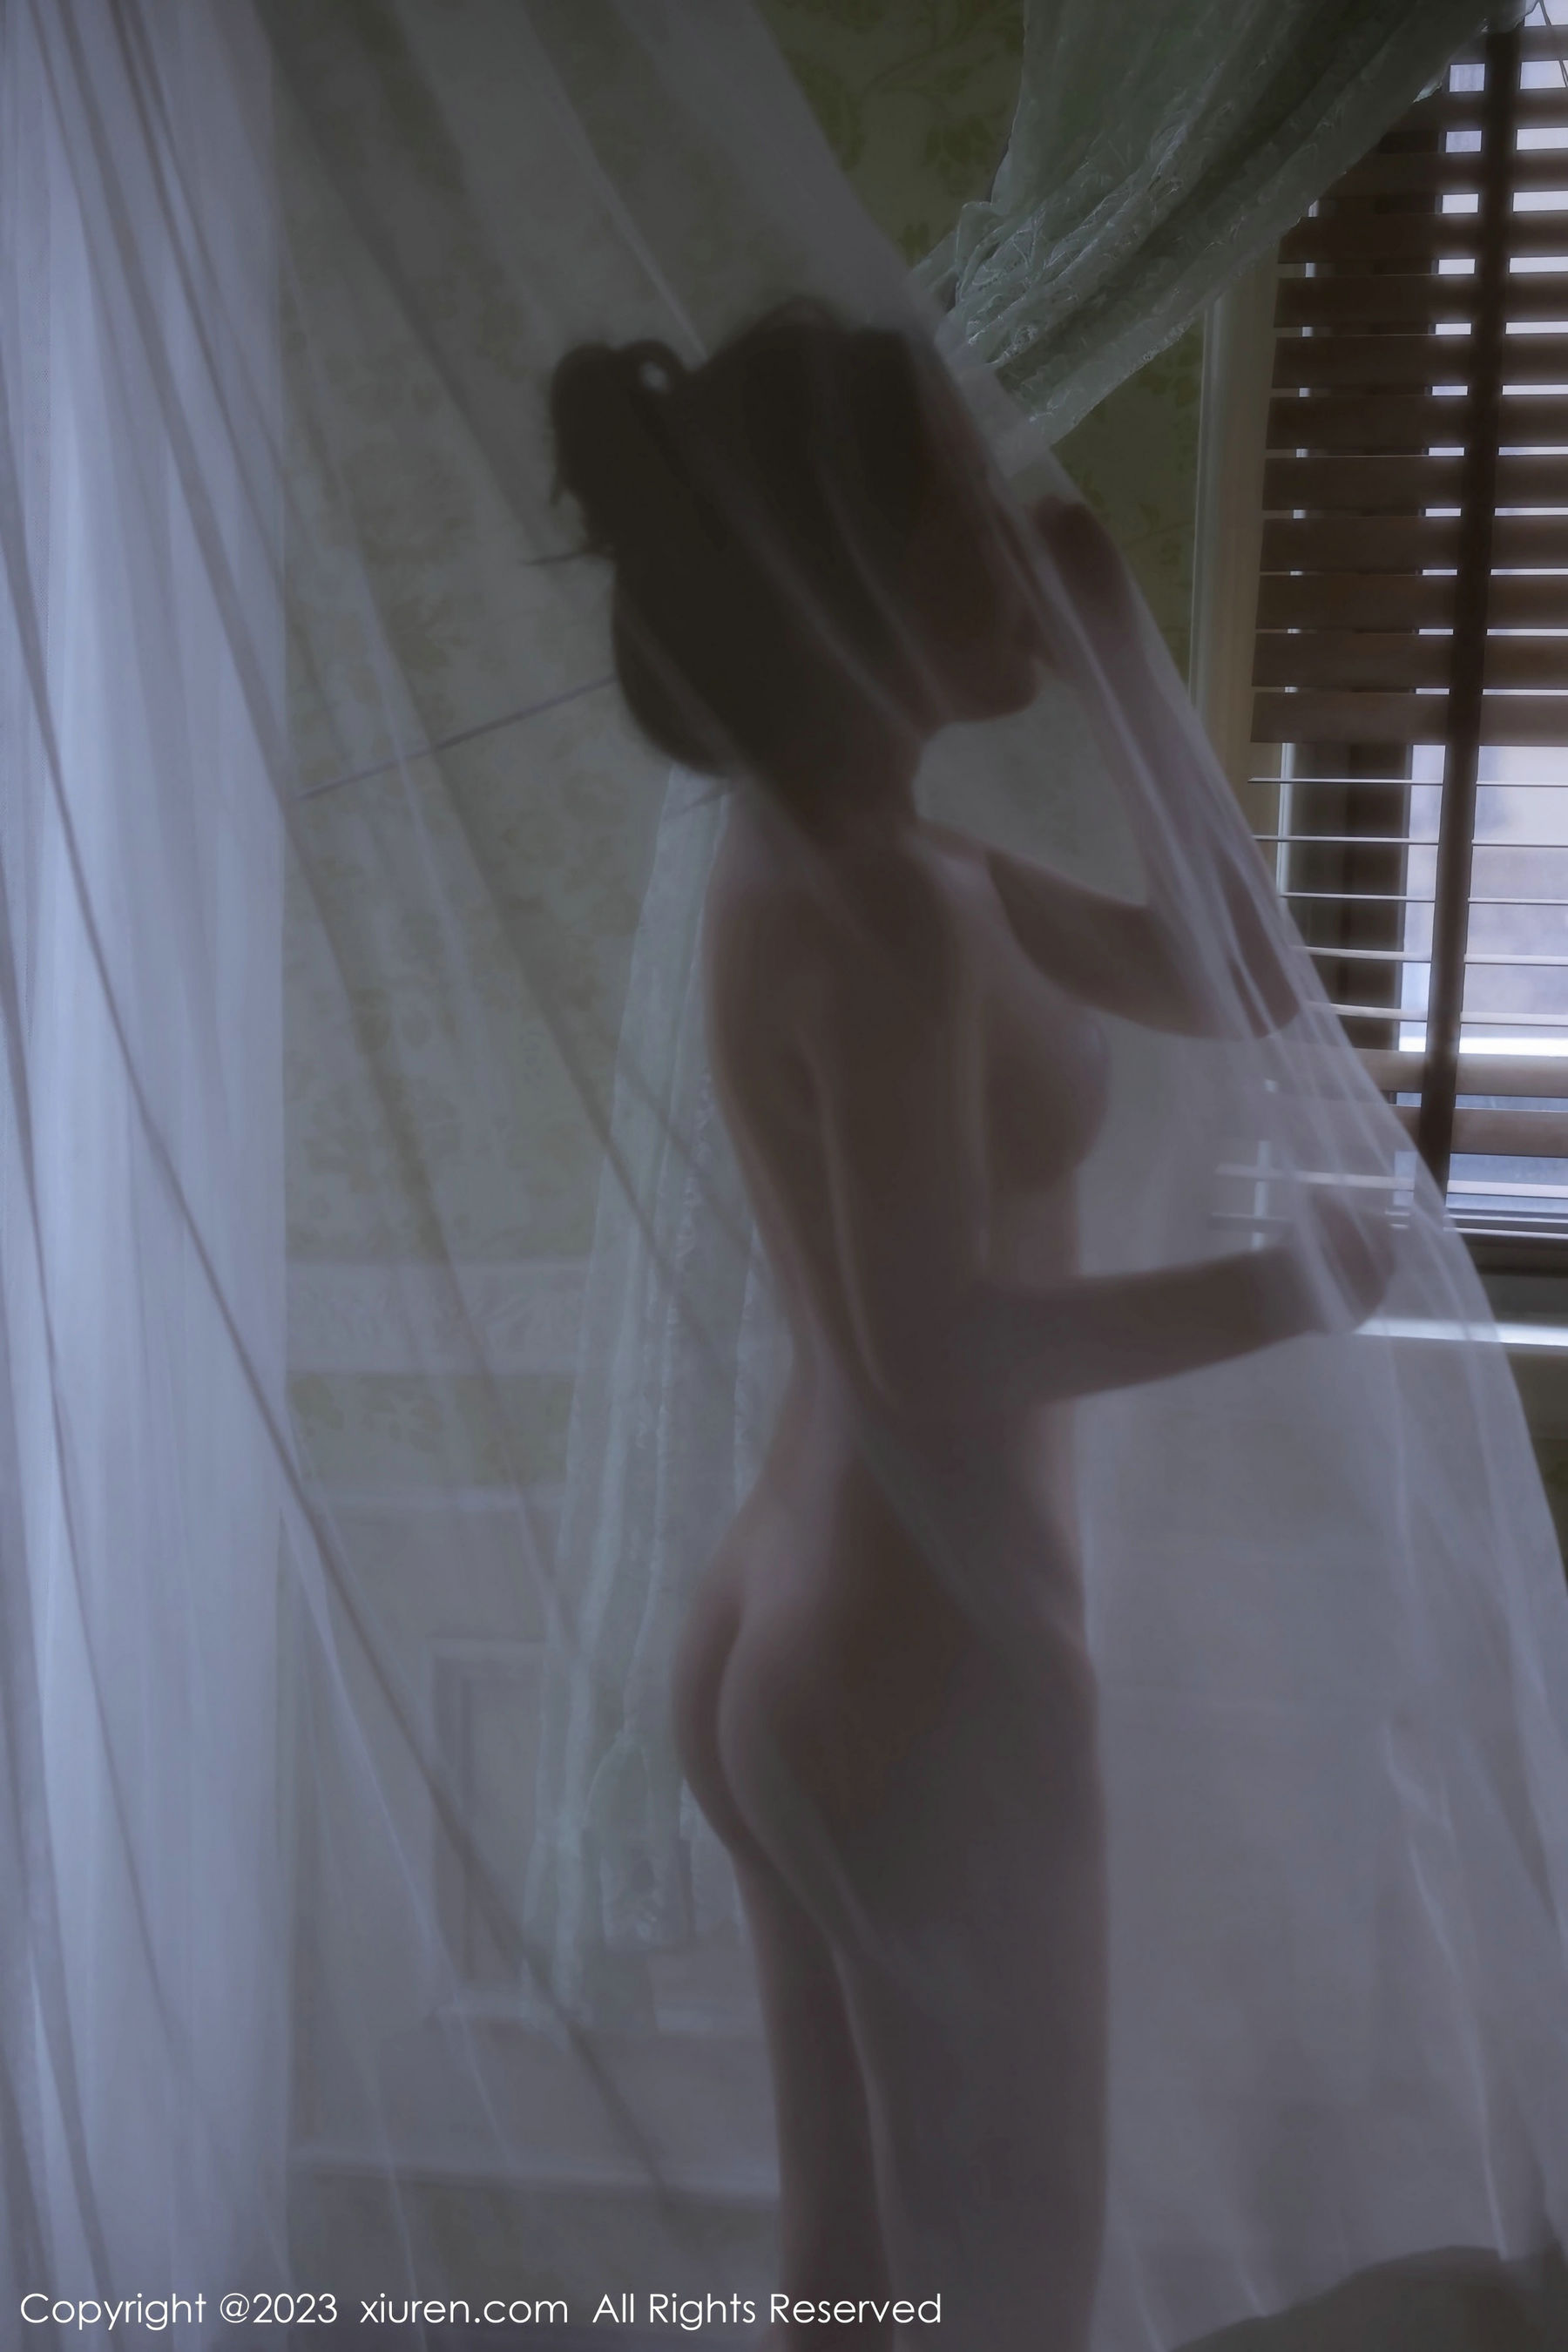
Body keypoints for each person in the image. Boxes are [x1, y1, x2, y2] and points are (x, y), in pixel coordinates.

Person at [550, 301, 1392, 2349]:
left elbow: (1235, 973)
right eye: (972, 510)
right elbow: (928, 1357)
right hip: (925, 1660)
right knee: (1010, 2298)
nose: (1020, 538)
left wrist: (1113, 646)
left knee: (852, 2283)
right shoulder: (889, 911)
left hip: (801, 1629)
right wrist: (1282, 1289)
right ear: (853, 575)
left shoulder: (860, 861)